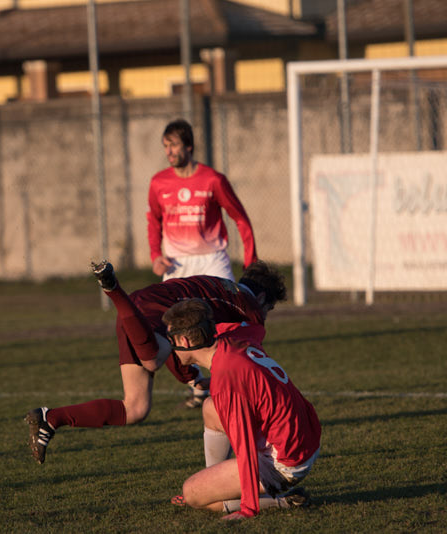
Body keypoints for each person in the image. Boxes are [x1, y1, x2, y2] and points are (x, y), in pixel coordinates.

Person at [24, 259, 287, 465]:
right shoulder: (251, 308)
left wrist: (193, 378)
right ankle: (114, 291)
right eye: (270, 309)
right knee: (151, 360)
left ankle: (50, 418)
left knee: (135, 408)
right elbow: (246, 362)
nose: (266, 315)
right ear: (263, 299)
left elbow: (179, 348)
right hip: (152, 310)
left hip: (139, 308)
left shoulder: (223, 287)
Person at [162, 298, 321, 521]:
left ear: (184, 341)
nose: (170, 346)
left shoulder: (227, 380)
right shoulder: (232, 339)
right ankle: (217, 484)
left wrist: (248, 508)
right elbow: (255, 334)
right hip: (305, 437)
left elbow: (244, 447)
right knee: (210, 407)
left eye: (171, 339)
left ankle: (280, 500)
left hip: (287, 461)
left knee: (192, 494)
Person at [147, 118, 257, 282]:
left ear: (188, 146)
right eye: (165, 146)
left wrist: (250, 261)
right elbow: (154, 221)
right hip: (175, 264)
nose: (168, 151)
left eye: (174, 145)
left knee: (229, 299)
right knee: (169, 301)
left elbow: (241, 219)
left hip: (213, 261)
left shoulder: (214, 180)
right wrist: (156, 256)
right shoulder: (158, 183)